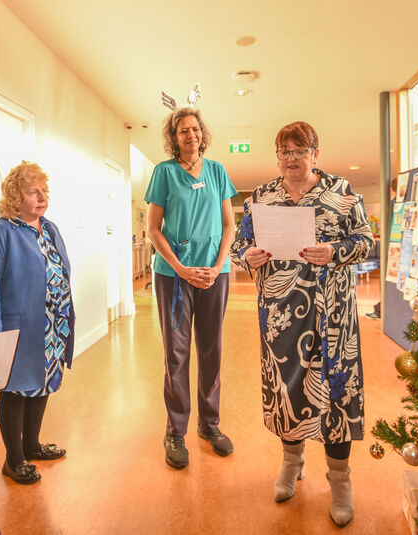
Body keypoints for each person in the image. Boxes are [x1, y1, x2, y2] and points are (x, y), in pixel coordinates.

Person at [229, 121, 373, 527]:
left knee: (335, 391)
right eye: (284, 153)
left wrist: (335, 250)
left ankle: (340, 480)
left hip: (333, 313)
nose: (291, 160)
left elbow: (365, 240)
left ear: (315, 154)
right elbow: (240, 246)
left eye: (299, 151)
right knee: (287, 387)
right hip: (280, 314)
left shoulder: (343, 193)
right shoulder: (263, 196)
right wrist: (249, 256)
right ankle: (292, 462)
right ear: (277, 157)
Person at [144, 106, 237, 469]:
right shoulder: (164, 173)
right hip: (173, 275)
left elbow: (229, 225)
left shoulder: (217, 171)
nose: (191, 135)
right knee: (177, 354)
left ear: (203, 133)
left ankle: (209, 426)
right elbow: (153, 228)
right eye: (183, 130)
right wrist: (182, 269)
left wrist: (216, 266)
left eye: (195, 129)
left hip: (215, 274)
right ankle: (175, 431)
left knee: (211, 350)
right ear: (174, 137)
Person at [0, 162, 74, 484]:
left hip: (52, 325)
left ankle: (32, 444)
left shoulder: (49, 228)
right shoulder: (1, 232)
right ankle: (14, 458)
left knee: (43, 383)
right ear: (14, 197)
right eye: (33, 192)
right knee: (16, 389)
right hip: (19, 326)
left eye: (44, 191)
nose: (41, 197)